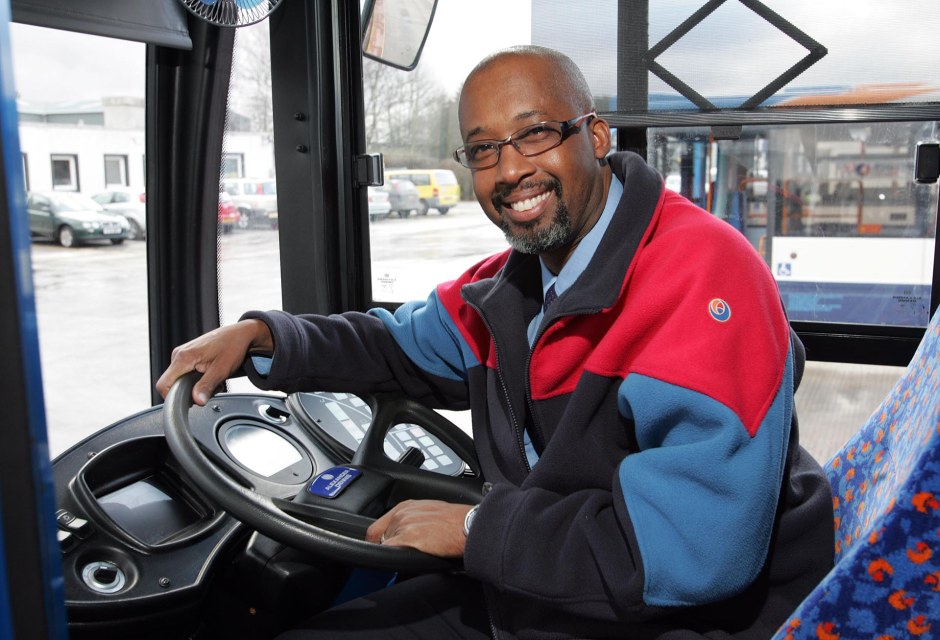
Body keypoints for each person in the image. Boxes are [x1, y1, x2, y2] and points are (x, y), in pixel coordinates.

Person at [157, 45, 834, 639]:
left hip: (679, 619)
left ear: (595, 136)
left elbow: (692, 553)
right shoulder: (520, 281)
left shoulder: (703, 282)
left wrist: (481, 530)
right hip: (548, 591)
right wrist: (263, 338)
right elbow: (397, 347)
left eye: (535, 134)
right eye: (484, 149)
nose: (509, 170)